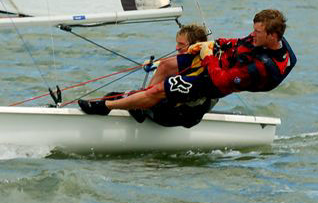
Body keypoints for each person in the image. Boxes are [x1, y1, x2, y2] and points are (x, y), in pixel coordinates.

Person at [78, 9, 296, 128]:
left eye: (258, 32)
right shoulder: (263, 39)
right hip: (217, 59)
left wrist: (208, 56)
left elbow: (220, 81)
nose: (253, 34)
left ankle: (107, 106)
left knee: (159, 90)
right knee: (165, 65)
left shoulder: (263, 68)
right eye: (254, 29)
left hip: (213, 81)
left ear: (273, 36)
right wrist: (214, 44)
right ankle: (141, 105)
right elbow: (240, 42)